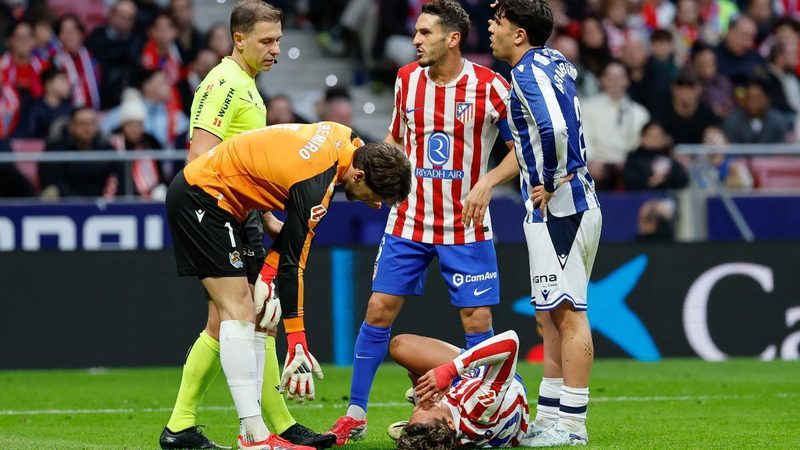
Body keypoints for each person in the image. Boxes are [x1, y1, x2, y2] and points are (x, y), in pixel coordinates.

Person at [326, 0, 513, 444]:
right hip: (409, 219)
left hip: (466, 224)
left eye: (426, 32)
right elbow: (395, 139)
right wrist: (376, 181)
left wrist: (487, 182)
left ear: (453, 38)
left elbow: (520, 151)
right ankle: (355, 413)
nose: (415, 40)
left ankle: (477, 410)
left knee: (477, 320)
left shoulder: (491, 87)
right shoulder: (407, 80)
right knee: (378, 309)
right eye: (416, 31)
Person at [165, 122, 411, 449]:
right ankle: (253, 436)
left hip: (234, 205)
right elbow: (294, 264)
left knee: (255, 316)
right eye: (375, 197)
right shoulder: (316, 184)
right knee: (239, 312)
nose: (374, 205)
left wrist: (267, 276)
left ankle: (219, 428)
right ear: (359, 176)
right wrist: (297, 342)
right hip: (205, 197)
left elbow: (292, 232)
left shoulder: (348, 141)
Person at [159, 2, 335, 449]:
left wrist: (266, 215)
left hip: (241, 211)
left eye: (279, 40)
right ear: (239, 39)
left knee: (247, 318)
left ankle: (188, 427)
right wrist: (234, 214)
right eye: (266, 41)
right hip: (217, 208)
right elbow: (200, 156)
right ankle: (259, 428)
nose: (276, 49)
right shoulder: (224, 83)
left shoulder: (249, 85)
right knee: (245, 315)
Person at [485, 0, 602, 445]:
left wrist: (551, 179)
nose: (490, 28)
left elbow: (555, 128)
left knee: (568, 314)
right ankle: (551, 417)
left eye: (498, 21)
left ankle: (572, 425)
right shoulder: (552, 61)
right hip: (558, 207)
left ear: (519, 34)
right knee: (549, 316)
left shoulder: (526, 72)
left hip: (563, 207)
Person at [390, 330, 530, 448]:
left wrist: (419, 385)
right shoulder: (478, 410)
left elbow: (413, 376)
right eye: (428, 407)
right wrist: (449, 371)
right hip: (493, 381)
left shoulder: (447, 435)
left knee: (401, 350)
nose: (422, 402)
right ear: (450, 423)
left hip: (459, 400)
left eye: (416, 410)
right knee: (402, 347)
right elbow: (511, 341)